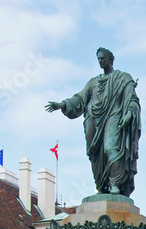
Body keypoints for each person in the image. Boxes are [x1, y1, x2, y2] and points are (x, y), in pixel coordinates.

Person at [45, 47, 140, 196]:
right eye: (98, 59)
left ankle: (115, 183)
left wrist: (129, 113)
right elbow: (79, 98)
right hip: (93, 119)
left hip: (114, 116)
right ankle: (101, 185)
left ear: (110, 59)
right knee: (94, 154)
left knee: (111, 148)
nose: (100, 61)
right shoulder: (93, 82)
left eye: (103, 58)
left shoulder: (123, 78)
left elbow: (132, 99)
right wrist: (62, 104)